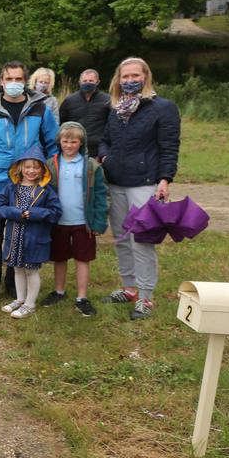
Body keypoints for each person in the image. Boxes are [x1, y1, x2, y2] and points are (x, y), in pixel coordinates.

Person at [0, 61, 59, 302]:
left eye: (18, 79)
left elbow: (52, 144)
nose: (14, 84)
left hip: (29, 186)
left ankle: (13, 284)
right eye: (9, 79)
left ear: (25, 81)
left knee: (21, 236)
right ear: (1, 81)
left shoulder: (40, 108)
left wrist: (46, 177)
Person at [98, 57, 181, 321]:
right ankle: (128, 288)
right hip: (116, 182)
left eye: (135, 75)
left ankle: (146, 297)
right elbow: (104, 140)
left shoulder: (162, 108)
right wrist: (105, 157)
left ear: (146, 77)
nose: (130, 80)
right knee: (122, 238)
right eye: (125, 76)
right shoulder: (115, 109)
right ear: (118, 80)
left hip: (145, 184)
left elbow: (169, 147)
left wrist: (165, 179)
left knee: (141, 241)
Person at [41, 122, 109, 317]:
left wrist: (99, 222)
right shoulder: (50, 164)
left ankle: (82, 297)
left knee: (82, 259)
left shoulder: (91, 166)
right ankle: (59, 291)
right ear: (59, 142)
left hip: (83, 222)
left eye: (74, 141)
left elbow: (102, 195)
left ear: (81, 143)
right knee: (59, 258)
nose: (69, 145)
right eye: (65, 141)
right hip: (58, 222)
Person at [0, 146, 62, 319]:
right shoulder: (11, 188)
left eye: (36, 167)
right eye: (27, 167)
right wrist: (16, 213)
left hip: (34, 239)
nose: (31, 171)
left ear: (42, 170)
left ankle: (30, 305)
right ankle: (20, 299)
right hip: (14, 237)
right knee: (17, 269)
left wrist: (34, 214)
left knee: (31, 270)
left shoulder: (46, 191)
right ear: (20, 168)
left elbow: (55, 212)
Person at [58, 68, 111, 145]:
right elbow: (61, 122)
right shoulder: (69, 100)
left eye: (91, 81)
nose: (87, 83)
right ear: (80, 82)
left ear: (98, 82)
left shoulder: (108, 100)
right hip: (74, 146)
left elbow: (111, 124)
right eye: (85, 81)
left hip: (99, 146)